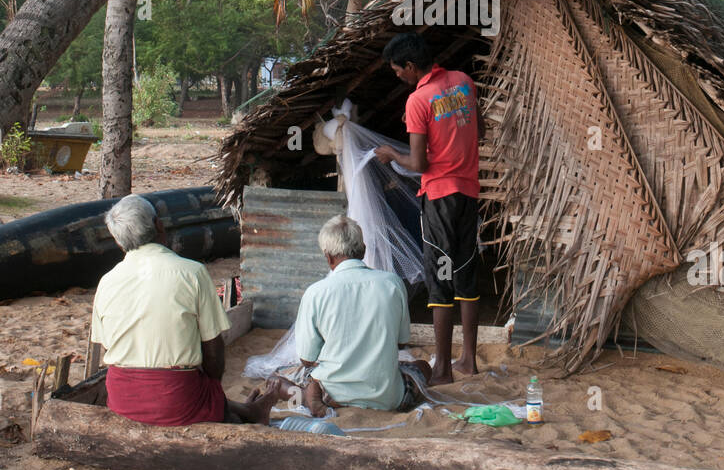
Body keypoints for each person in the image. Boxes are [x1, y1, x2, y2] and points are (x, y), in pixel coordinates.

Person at [92, 195, 287, 426]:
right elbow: (213, 352)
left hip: (122, 401)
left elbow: (106, 346)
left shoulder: (106, 282)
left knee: (195, 386)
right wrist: (210, 384)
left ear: (118, 241)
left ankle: (243, 410)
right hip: (176, 400)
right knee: (205, 387)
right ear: (159, 226)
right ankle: (243, 412)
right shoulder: (192, 273)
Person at [374, 33, 483, 385]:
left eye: (397, 71)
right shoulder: (463, 83)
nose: (397, 77)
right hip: (468, 192)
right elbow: (477, 131)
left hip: (438, 198)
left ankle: (442, 369)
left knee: (440, 278)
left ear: (410, 66)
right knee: (466, 272)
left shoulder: (418, 100)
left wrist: (391, 155)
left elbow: (419, 162)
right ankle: (468, 359)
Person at [285, 214, 430, 416]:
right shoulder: (392, 283)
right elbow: (400, 343)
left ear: (328, 257)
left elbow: (307, 360)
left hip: (332, 393)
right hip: (388, 398)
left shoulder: (315, 293)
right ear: (363, 250)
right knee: (423, 367)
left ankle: (306, 395)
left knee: (296, 378)